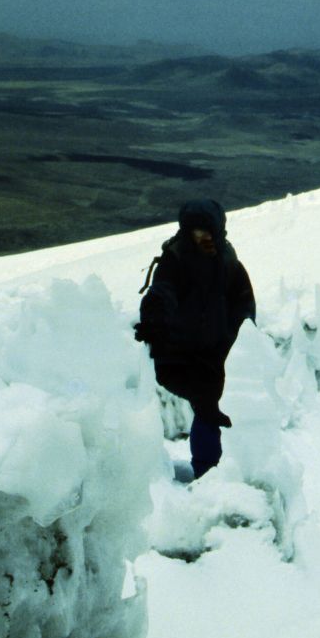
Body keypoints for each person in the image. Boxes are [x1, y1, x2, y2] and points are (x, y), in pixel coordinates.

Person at [135, 199, 256, 479]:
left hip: (215, 355)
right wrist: (154, 319)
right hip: (177, 355)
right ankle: (207, 472)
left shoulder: (228, 262)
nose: (203, 236)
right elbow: (162, 292)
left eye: (208, 230)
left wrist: (241, 342)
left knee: (218, 407)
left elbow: (244, 305)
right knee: (208, 405)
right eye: (196, 230)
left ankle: (219, 470)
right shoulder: (175, 260)